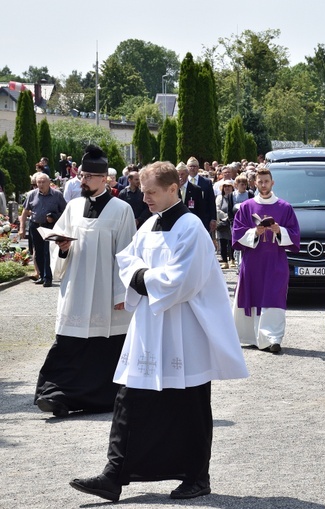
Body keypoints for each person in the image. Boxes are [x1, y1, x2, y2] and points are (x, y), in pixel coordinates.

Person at [69, 161, 249, 503]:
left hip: (184, 330)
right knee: (129, 400)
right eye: (143, 191)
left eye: (151, 192)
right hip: (149, 328)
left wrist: (140, 278)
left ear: (172, 189)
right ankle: (113, 475)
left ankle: (197, 476)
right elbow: (127, 259)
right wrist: (139, 276)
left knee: (189, 405)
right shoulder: (150, 224)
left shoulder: (191, 228)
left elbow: (182, 281)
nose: (145, 197)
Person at [34, 145, 136, 417]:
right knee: (69, 343)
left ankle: (100, 398)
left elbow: (126, 255)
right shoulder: (74, 206)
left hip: (106, 292)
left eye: (89, 176)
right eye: (81, 175)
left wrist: (120, 294)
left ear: (105, 179)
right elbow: (59, 246)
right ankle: (56, 396)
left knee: (104, 348)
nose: (83, 180)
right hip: (77, 288)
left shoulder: (121, 210)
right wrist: (63, 247)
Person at [232, 168, 300, 352]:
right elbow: (236, 233)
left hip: (275, 261)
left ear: (272, 183)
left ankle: (272, 338)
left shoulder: (285, 208)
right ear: (255, 183)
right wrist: (255, 232)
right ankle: (254, 336)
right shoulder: (246, 207)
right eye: (260, 182)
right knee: (253, 295)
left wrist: (280, 231)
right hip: (252, 261)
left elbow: (295, 234)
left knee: (274, 296)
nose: (263, 185)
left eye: (266, 181)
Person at [19, 173, 67, 287]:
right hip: (35, 225)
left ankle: (48, 278)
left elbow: (65, 212)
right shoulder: (31, 195)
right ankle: (41, 275)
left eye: (43, 182)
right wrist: (22, 228)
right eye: (38, 182)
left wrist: (54, 217)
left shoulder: (57, 195)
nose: (40, 184)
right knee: (38, 252)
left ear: (49, 182)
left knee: (47, 251)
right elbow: (25, 212)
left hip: (49, 227)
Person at [215, 180, 237, 270]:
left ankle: (232, 259)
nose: (227, 188)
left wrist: (231, 217)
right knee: (223, 242)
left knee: (231, 241)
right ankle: (224, 261)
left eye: (229, 186)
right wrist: (226, 216)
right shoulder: (220, 198)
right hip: (223, 222)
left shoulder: (234, 197)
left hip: (232, 222)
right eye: (225, 186)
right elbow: (217, 209)